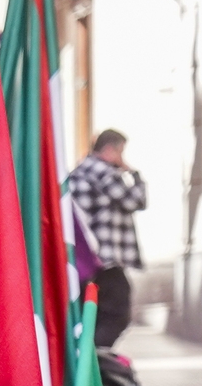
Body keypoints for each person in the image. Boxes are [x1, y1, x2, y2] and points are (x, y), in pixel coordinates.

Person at [63, 130, 148, 350]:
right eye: (120, 151)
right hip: (104, 259)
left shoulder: (78, 172)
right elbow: (135, 201)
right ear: (110, 150)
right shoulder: (103, 172)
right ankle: (95, 359)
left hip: (83, 261)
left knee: (91, 315)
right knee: (118, 313)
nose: (122, 158)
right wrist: (134, 174)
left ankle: (88, 360)